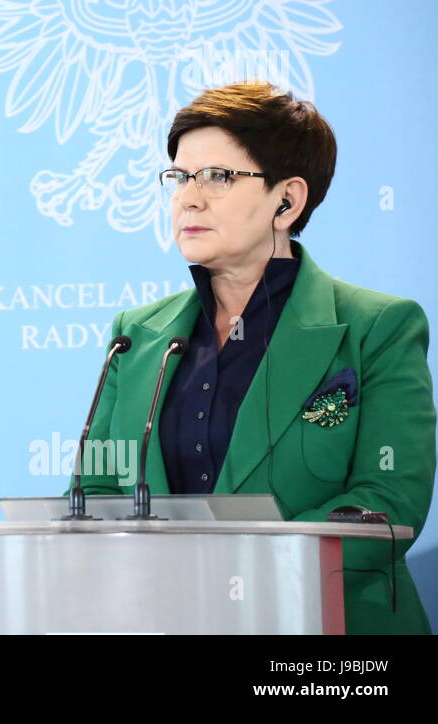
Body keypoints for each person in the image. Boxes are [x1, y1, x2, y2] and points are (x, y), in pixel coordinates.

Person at [71, 81, 435, 634]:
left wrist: (226, 571)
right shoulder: (136, 336)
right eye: (179, 177)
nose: (188, 197)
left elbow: (386, 504)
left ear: (286, 200)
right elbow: (97, 491)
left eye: (218, 177)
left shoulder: (375, 327)